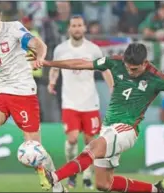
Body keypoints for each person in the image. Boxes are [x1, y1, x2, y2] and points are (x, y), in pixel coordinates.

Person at [29, 43, 164, 192]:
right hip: (108, 128)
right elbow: (81, 64)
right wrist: (48, 63)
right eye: (128, 68)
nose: (130, 72)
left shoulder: (157, 78)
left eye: (135, 69)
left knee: (91, 148)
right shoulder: (116, 62)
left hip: (126, 129)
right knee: (104, 184)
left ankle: (54, 177)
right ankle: (155, 190)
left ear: (145, 62)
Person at [0, 2, 66, 192]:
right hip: (0, 90)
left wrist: (40, 57)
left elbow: (38, 44)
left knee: (34, 147)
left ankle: (56, 183)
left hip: (23, 92)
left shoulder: (14, 29)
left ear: (0, 16)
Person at [48, 15, 113, 189]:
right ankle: (72, 172)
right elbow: (54, 68)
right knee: (72, 138)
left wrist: (112, 88)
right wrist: (52, 82)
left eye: (79, 25)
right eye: (73, 25)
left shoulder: (93, 50)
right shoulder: (61, 49)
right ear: (69, 28)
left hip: (90, 103)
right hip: (70, 102)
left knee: (90, 142)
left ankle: (86, 176)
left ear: (84, 28)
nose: (77, 28)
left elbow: (105, 70)